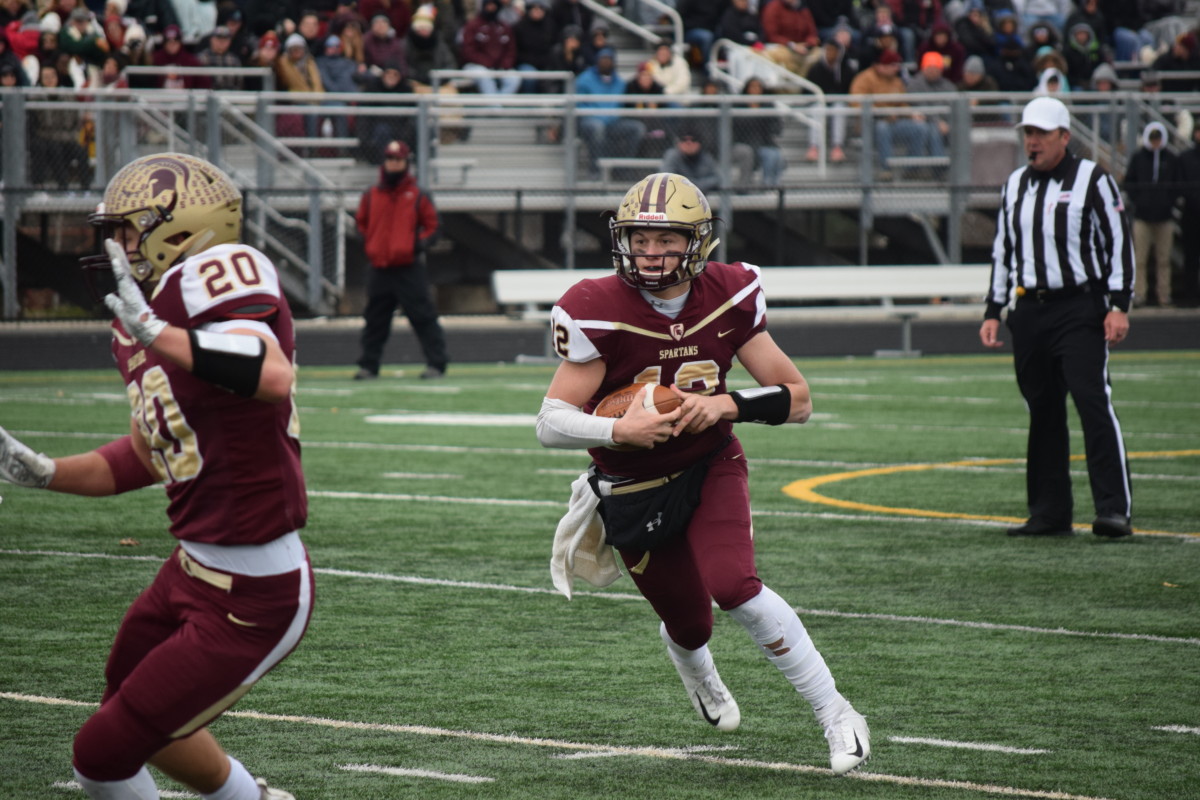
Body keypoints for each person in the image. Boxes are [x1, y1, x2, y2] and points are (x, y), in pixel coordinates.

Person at [536, 171, 872, 777]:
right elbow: (550, 422)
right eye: (640, 239)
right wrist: (620, 430)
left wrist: (731, 404)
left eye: (666, 240)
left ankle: (837, 713)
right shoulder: (596, 306)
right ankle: (698, 672)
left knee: (733, 584)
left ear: (698, 241)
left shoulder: (729, 292)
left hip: (708, 461)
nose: (651, 252)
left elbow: (798, 399)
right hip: (631, 487)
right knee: (689, 622)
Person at [0, 152, 310, 800]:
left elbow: (272, 372)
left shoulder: (218, 273)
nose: (115, 244)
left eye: (127, 228)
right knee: (129, 712)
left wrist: (160, 333)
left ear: (180, 226)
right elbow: (153, 452)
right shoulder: (141, 317)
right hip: (190, 568)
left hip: (255, 589)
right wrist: (45, 472)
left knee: (101, 755)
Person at [979, 96, 1134, 539]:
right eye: (1028, 133)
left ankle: (1113, 509)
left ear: (1064, 137)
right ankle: (1050, 511)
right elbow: (1003, 251)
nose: (1033, 142)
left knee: (1091, 400)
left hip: (1079, 307)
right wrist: (994, 309)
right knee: (1042, 409)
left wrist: (1119, 305)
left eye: (1041, 134)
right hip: (1028, 309)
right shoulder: (1014, 185)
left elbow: (1119, 243)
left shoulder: (1093, 180)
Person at [353, 140, 447, 380]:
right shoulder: (371, 195)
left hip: (408, 267)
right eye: (390, 159)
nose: (394, 164)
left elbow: (433, 226)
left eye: (399, 160)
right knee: (375, 320)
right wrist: (372, 243)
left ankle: (436, 363)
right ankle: (368, 365)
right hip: (379, 267)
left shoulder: (417, 194)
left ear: (406, 163)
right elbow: (361, 223)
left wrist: (416, 244)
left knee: (423, 317)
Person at [849, 49, 945, 180]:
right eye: (892, 65)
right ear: (881, 66)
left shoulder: (896, 81)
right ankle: (886, 169)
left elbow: (903, 103)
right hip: (870, 124)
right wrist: (883, 114)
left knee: (921, 128)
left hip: (895, 123)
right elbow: (857, 103)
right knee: (882, 127)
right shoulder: (865, 78)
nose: (896, 68)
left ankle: (912, 169)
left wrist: (911, 114)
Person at [1123, 121, 1180, 308]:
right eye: (1152, 138)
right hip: (1142, 216)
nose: (1155, 142)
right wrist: (1139, 200)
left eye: (1158, 139)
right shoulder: (1139, 158)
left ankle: (1164, 295)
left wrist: (1168, 202)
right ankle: (1140, 294)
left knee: (1164, 259)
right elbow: (1129, 182)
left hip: (1164, 217)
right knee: (1139, 259)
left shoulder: (1170, 158)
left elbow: (1177, 184)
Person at [575, 47, 647, 180]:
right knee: (597, 128)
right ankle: (596, 170)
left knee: (637, 129)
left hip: (612, 123)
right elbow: (579, 104)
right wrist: (597, 116)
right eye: (603, 59)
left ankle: (622, 170)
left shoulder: (619, 82)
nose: (606, 62)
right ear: (597, 61)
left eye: (609, 60)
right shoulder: (584, 79)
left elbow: (621, 106)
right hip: (589, 122)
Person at [1177, 124, 1200, 308]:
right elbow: (1179, 184)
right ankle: (1190, 293)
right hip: (1191, 215)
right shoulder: (1185, 158)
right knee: (1190, 255)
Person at [661, 126, 721, 192]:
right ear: (678, 143)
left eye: (693, 140)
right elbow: (667, 178)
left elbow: (716, 179)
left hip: (699, 198)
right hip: (676, 196)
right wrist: (693, 185)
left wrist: (693, 185)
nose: (689, 143)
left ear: (699, 143)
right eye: (684, 140)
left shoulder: (705, 157)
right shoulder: (672, 155)